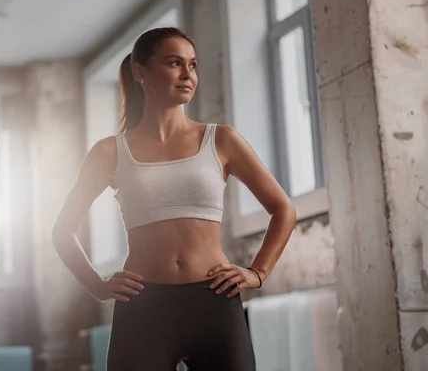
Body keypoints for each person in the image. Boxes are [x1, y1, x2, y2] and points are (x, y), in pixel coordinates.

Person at [51, 27, 296, 370]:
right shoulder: (109, 152)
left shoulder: (221, 140)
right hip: (142, 306)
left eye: (192, 65)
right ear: (140, 72)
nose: (187, 74)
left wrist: (258, 272)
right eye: (174, 63)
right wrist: (96, 285)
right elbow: (63, 231)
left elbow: (282, 208)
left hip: (214, 302)